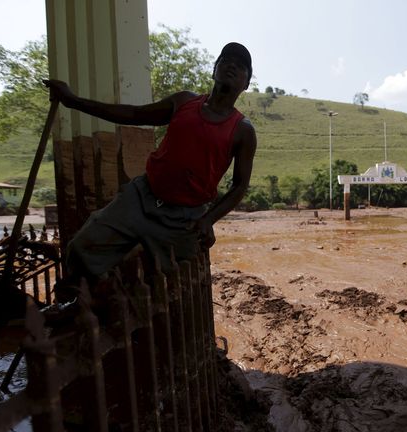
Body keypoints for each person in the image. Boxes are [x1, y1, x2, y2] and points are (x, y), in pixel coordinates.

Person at [45, 42, 256, 283]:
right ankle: (81, 310)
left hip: (184, 220)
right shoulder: (184, 102)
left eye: (240, 66)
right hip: (140, 198)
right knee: (81, 250)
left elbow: (239, 186)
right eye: (226, 60)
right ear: (214, 70)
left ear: (246, 83)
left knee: (182, 286)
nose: (231, 66)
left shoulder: (243, 131)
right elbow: (135, 114)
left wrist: (209, 219)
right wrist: (74, 102)